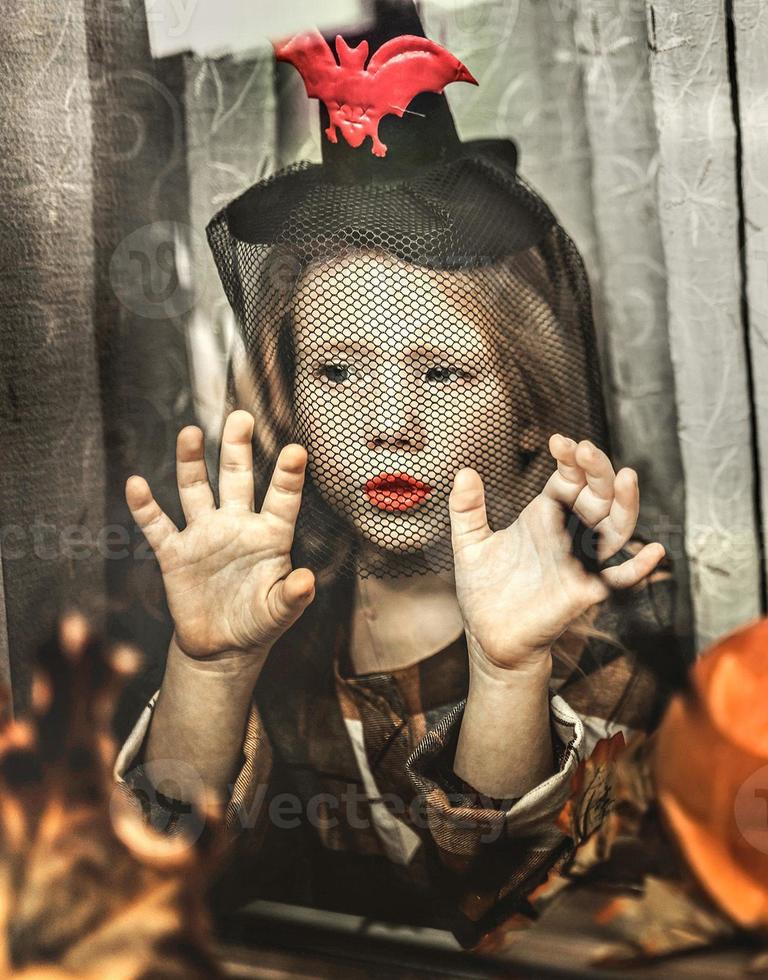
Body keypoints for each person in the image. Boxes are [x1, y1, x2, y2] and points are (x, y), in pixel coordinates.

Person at [113, 3, 681, 944]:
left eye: (445, 372)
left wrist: (506, 671)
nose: (387, 425)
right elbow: (153, 879)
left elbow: (524, 913)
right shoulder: (286, 624)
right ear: (289, 396)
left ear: (531, 405)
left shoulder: (602, 655)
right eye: (336, 372)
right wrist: (210, 668)